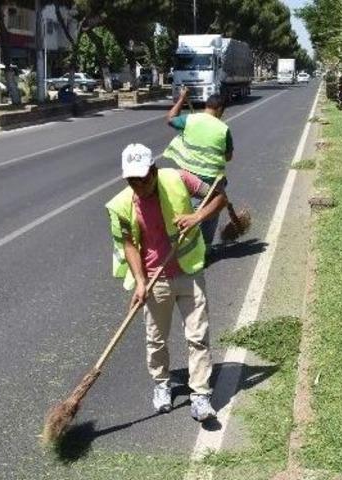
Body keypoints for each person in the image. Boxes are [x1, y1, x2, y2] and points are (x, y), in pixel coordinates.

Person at [105, 143, 227, 420]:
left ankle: (200, 395)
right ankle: (162, 383)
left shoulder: (179, 179)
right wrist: (140, 281)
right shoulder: (122, 205)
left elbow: (220, 197)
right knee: (156, 338)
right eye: (131, 180)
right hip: (154, 279)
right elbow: (129, 244)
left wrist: (197, 216)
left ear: (154, 170)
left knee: (198, 336)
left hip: (189, 272)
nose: (138, 185)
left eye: (142, 179)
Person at [163, 88, 234, 246]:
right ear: (220, 109)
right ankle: (206, 247)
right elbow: (228, 157)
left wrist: (182, 98)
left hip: (186, 176)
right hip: (209, 181)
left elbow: (170, 118)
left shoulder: (190, 119)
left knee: (184, 207)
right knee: (212, 209)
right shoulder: (223, 129)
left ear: (207, 105)